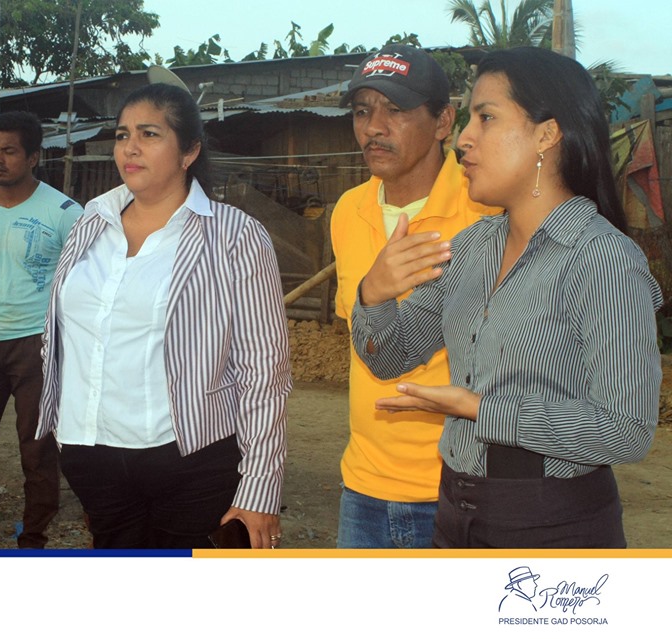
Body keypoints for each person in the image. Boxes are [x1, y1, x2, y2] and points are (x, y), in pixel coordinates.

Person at [352, 47, 662, 548]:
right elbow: (390, 357)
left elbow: (626, 429)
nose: (463, 138)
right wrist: (375, 294)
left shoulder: (600, 258)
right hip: (455, 513)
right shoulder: (472, 248)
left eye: (486, 117)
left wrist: (483, 409)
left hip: (553, 526)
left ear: (546, 134)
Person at [35, 83, 291, 549]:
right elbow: (62, 335)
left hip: (191, 460)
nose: (129, 147)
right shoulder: (91, 224)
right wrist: (62, 434)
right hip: (91, 456)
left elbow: (263, 372)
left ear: (189, 151)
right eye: (122, 134)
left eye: (149, 134)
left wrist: (260, 486)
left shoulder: (233, 236)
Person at [332, 44, 499, 548]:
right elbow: (364, 341)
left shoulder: (486, 212)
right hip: (364, 484)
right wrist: (373, 293)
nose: (373, 127)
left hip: (461, 484)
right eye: (362, 111)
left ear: (444, 121)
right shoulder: (348, 211)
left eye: (395, 110)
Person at [0, 111, 83, 549]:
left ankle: (34, 540)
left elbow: (86, 284)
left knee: (38, 450)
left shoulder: (65, 213)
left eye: (9, 151)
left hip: (38, 346)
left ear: (33, 157)